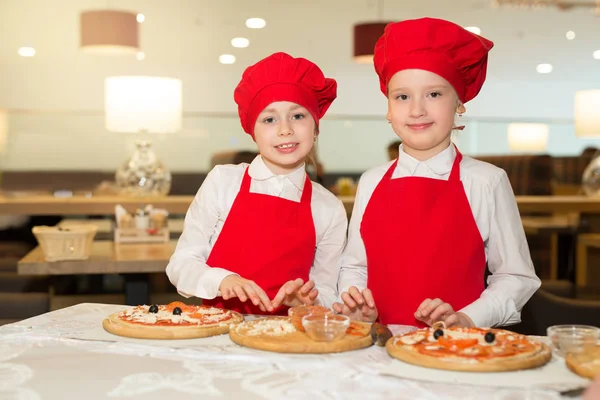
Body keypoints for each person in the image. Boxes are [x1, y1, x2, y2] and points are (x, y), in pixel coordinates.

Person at [334, 18, 541, 328]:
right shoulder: (371, 181)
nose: (417, 110)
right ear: (389, 110)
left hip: (455, 351)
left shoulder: (486, 180)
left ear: (459, 103)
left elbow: (515, 276)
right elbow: (355, 265)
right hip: (377, 345)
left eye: (434, 94)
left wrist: (468, 318)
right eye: (402, 97)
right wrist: (356, 301)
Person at [166, 52, 347, 315]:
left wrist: (310, 300)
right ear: (253, 130)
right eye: (269, 119)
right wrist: (222, 280)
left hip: (289, 342)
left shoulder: (328, 207)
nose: (285, 129)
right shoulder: (223, 181)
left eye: (298, 116)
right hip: (218, 334)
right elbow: (181, 264)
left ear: (316, 127)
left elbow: (329, 290)